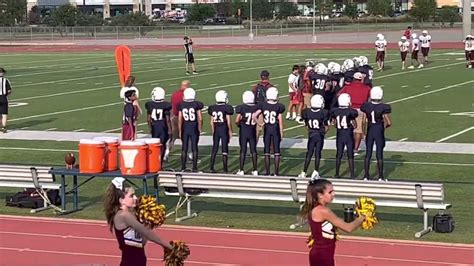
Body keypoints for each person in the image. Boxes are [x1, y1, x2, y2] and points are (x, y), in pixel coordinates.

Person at [104, 177, 172, 266]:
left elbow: (142, 242)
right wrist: (167, 246)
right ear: (121, 200)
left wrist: (148, 221)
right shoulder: (123, 215)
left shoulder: (130, 214)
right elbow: (146, 232)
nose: (136, 198)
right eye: (131, 196)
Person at [300, 178, 365, 266]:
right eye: (330, 192)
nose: (333, 194)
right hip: (322, 256)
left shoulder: (317, 208)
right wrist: (363, 217)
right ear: (320, 195)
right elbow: (348, 228)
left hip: (323, 254)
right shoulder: (323, 211)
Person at [361, 86, 392, 181]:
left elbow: (363, 121)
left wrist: (363, 132)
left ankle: (366, 175)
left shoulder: (366, 106)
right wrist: (383, 127)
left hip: (370, 130)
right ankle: (380, 176)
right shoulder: (384, 107)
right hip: (378, 130)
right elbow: (389, 122)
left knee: (368, 154)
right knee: (379, 154)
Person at [253, 87, 285, 176]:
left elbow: (254, 115)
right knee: (277, 152)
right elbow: (280, 121)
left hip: (267, 129)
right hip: (275, 129)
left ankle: (267, 172)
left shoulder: (263, 105)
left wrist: (261, 124)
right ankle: (276, 172)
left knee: (266, 151)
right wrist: (281, 132)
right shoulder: (279, 106)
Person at [337, 72, 370, 156]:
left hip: (349, 109)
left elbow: (339, 95)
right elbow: (370, 98)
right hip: (361, 110)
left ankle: (348, 147)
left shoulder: (348, 87)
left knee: (348, 129)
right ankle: (355, 149)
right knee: (358, 130)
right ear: (361, 79)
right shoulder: (367, 87)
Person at [299, 95, 330, 179]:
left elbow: (306, 125)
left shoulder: (307, 112)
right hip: (319, 135)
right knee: (317, 154)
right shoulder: (324, 112)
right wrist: (322, 132)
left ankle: (304, 172)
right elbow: (326, 127)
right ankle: (316, 171)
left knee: (309, 153)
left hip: (311, 134)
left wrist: (311, 130)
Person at [330, 93, 358, 179]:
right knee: (350, 155)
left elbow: (334, 123)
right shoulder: (351, 112)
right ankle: (352, 174)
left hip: (339, 134)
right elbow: (355, 125)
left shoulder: (335, 111)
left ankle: (337, 173)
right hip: (348, 134)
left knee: (339, 154)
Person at [208, 90, 234, 173]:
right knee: (224, 149)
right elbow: (229, 121)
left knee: (214, 149)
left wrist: (213, 131)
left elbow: (211, 122)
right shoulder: (227, 108)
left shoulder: (212, 108)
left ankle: (211, 167)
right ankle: (225, 168)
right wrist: (230, 131)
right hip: (223, 129)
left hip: (216, 129)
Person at [178, 88, 203, 172]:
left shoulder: (182, 105)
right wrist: (199, 128)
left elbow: (180, 119)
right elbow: (200, 118)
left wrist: (180, 129)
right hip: (194, 126)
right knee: (194, 148)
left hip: (185, 127)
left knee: (184, 148)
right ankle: (194, 167)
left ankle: (183, 167)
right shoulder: (197, 104)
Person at [145, 87, 172, 165]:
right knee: (162, 145)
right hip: (163, 126)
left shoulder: (150, 105)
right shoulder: (165, 105)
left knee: (155, 145)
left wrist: (150, 128)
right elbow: (167, 119)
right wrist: (170, 130)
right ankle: (160, 163)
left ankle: (154, 162)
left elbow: (148, 119)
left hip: (155, 126)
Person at [235, 91, 259, 176]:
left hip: (244, 131)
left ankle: (241, 169)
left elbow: (237, 120)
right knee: (253, 150)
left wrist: (239, 124)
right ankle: (255, 170)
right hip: (252, 131)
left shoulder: (242, 108)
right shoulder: (256, 107)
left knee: (243, 151)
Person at [169, 80, 189, 161]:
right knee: (186, 138)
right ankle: (189, 155)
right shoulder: (186, 95)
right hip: (183, 118)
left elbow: (171, 105)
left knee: (172, 138)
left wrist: (171, 116)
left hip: (174, 117)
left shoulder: (174, 94)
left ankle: (166, 153)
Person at [252, 70, 273, 140]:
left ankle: (254, 145)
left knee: (258, 129)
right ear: (268, 77)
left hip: (258, 109)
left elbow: (253, 98)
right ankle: (270, 146)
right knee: (270, 129)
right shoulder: (271, 87)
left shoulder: (256, 87)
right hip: (268, 109)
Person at [0, 68, 12, 133]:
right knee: (4, 113)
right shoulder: (5, 80)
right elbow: (9, 90)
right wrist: (6, 95)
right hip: (3, 97)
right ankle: (3, 127)